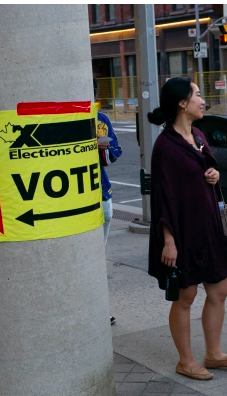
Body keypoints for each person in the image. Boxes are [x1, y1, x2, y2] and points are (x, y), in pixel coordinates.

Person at [147, 77, 227, 381]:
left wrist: (213, 174)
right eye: (198, 95)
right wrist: (169, 241)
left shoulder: (198, 135)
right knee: (185, 296)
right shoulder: (165, 146)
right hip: (182, 232)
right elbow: (163, 197)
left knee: (220, 289)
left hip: (208, 227)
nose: (203, 100)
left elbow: (204, 171)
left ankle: (213, 354)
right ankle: (185, 361)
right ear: (181, 103)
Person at [94, 77, 123, 326]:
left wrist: (101, 149)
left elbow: (114, 152)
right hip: (76, 197)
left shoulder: (101, 120)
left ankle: (99, 308)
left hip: (102, 192)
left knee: (96, 257)